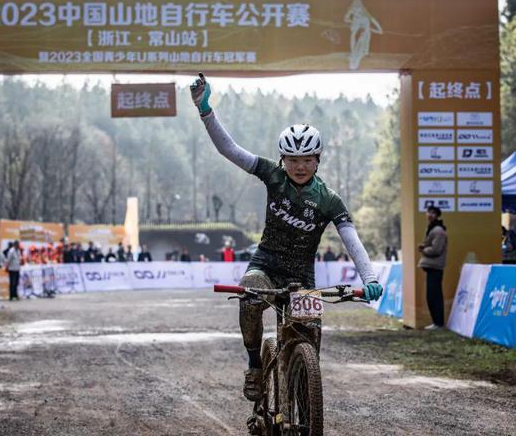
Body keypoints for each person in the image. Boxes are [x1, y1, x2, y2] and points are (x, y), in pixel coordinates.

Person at [190, 73, 383, 403]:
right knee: (250, 297)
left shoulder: (329, 200)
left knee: (308, 345)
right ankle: (254, 365)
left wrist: (370, 278)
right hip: (265, 265)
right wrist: (205, 110)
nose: (300, 166)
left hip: (301, 277)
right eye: (293, 159)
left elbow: (351, 240)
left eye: (307, 159)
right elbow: (229, 149)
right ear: (283, 160)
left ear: (318, 160)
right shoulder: (273, 175)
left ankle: (302, 396)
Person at [418, 206, 447, 330]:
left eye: (433, 213)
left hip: (435, 266)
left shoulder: (438, 230)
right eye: (428, 212)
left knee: (434, 296)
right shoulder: (432, 228)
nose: (430, 215)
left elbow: (436, 249)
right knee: (431, 296)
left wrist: (424, 249)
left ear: (437, 215)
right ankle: (436, 322)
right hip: (431, 267)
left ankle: (439, 323)